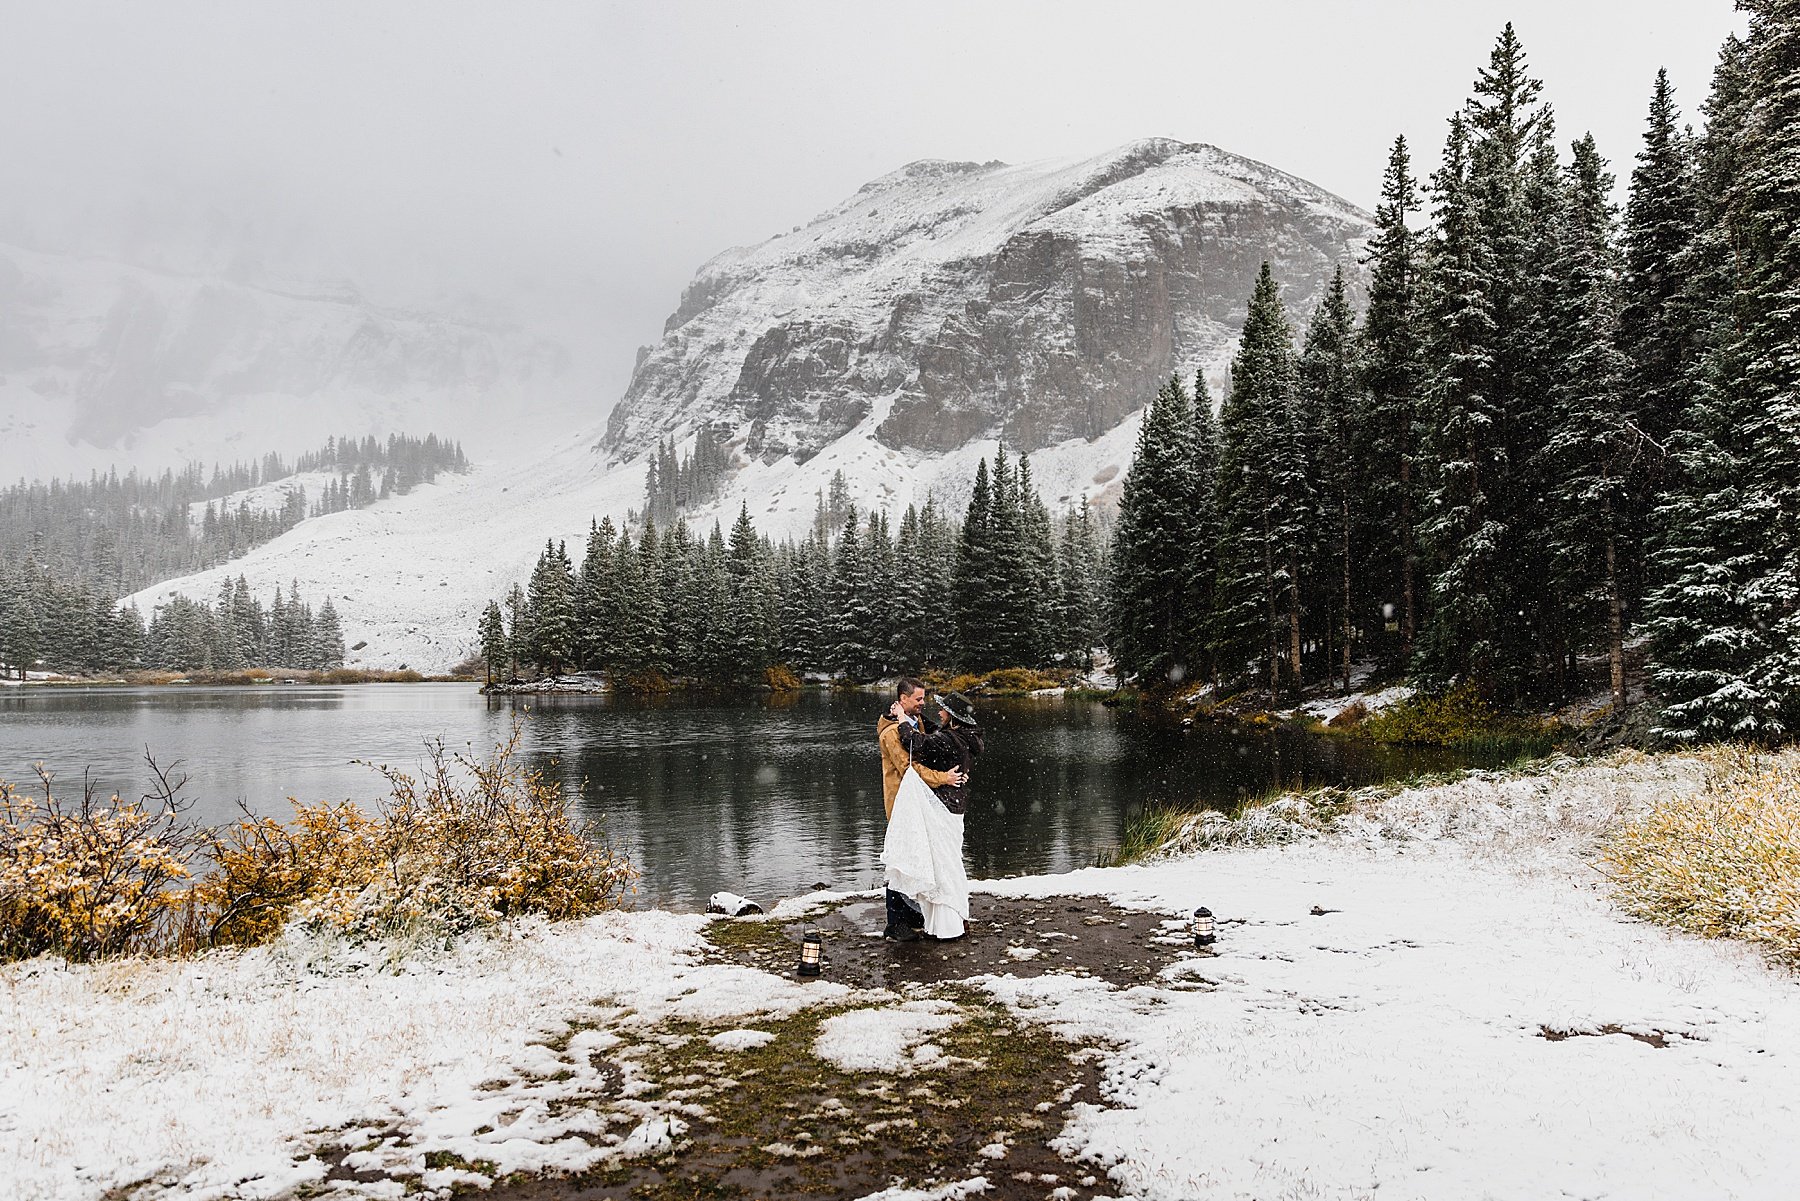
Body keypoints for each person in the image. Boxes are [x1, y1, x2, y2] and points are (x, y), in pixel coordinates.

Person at [876, 678, 964, 941]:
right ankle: (895, 922)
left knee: (921, 855)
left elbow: (938, 743)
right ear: (902, 699)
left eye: (923, 698)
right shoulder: (891, 733)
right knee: (900, 858)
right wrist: (943, 778)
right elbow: (907, 769)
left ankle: (913, 911)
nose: (923, 703)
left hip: (921, 801)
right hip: (901, 802)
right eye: (918, 699)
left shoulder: (918, 722)